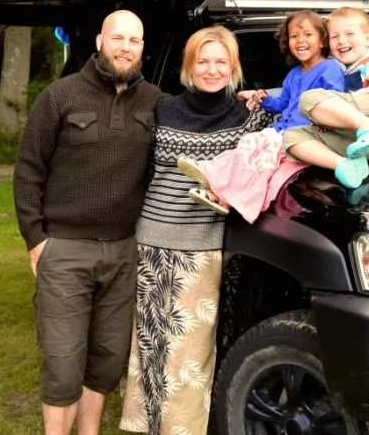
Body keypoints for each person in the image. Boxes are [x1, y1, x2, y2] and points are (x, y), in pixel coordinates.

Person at [13, 10, 165, 435]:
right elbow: (28, 171)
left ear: (142, 47)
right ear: (100, 40)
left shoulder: (155, 102)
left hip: (123, 250)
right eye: (118, 38)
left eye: (134, 40)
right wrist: (36, 240)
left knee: (107, 360)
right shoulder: (59, 97)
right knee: (63, 364)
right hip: (64, 248)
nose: (125, 47)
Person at [119, 26, 272, 435]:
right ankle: (147, 426)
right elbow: (144, 167)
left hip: (204, 242)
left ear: (234, 67)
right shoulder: (163, 108)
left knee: (189, 350)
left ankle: (181, 430)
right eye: (203, 61)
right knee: (149, 343)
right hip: (152, 235)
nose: (211, 69)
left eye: (221, 61)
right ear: (189, 66)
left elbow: (268, 159)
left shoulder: (250, 115)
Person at [175, 10, 345, 219]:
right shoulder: (293, 74)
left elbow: (337, 102)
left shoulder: (330, 69)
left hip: (305, 137)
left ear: (322, 41)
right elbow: (283, 103)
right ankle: (216, 186)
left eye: (308, 34)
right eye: (294, 36)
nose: (300, 40)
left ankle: (226, 193)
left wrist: (327, 125)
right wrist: (263, 98)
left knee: (259, 161)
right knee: (248, 148)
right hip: (283, 131)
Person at [284, 6, 369, 188]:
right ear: (328, 43)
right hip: (366, 145)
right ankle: (343, 165)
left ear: (367, 38)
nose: (341, 41)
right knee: (291, 137)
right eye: (334, 36)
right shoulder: (339, 69)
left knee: (308, 98)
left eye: (349, 34)